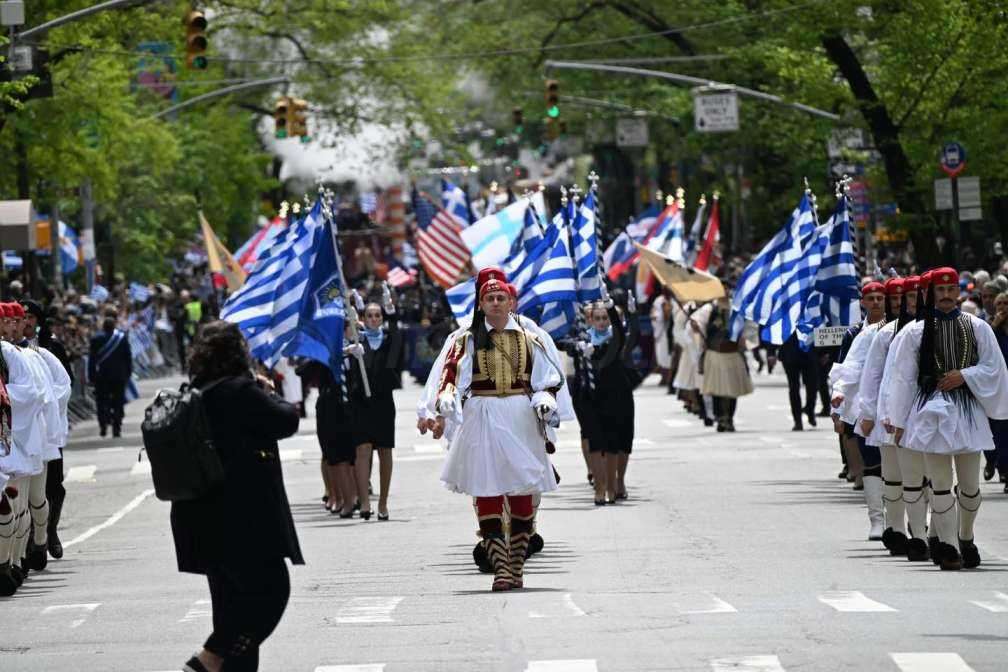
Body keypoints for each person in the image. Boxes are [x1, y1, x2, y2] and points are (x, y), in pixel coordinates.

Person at [171, 321, 303, 672]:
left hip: (201, 515)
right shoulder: (240, 391)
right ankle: (208, 659)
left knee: (231, 605)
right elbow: (286, 420)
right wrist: (269, 390)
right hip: (244, 518)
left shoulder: (197, 390)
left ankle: (218, 662)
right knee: (272, 592)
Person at [431, 268, 563, 591]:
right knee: (487, 489)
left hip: (519, 416)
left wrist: (545, 398)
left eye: (500, 298)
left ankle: (516, 564)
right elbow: (451, 376)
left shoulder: (530, 339)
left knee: (522, 490)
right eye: (489, 298)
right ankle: (501, 567)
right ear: (480, 303)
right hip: (483, 415)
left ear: (510, 301)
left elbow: (548, 378)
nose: (495, 303)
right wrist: (447, 397)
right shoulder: (467, 339)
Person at [882, 268, 1008, 570]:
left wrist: (964, 375)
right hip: (929, 412)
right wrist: (897, 419)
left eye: (951, 289)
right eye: (940, 290)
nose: (947, 295)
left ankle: (965, 537)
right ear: (931, 293)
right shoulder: (913, 332)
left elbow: (994, 368)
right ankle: (949, 547)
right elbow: (902, 378)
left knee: (968, 484)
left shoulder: (977, 327)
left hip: (966, 411)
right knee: (939, 483)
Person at [853, 277, 917, 556]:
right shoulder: (878, 334)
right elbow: (865, 374)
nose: (908, 303)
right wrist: (863, 411)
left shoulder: (932, 329)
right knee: (887, 471)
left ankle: (924, 527)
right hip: (886, 412)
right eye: (901, 298)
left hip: (920, 409)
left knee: (921, 473)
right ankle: (887, 524)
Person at [830, 281, 886, 539]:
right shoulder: (856, 334)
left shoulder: (904, 329)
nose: (876, 302)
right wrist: (838, 402)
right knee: (872, 462)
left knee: (902, 467)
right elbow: (846, 369)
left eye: (880, 297)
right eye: (871, 298)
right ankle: (877, 520)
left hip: (896, 406)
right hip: (865, 407)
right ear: (863, 302)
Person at [0, 303, 47, 596]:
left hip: (10, 436)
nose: (13, 326)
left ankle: (8, 563)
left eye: (13, 321)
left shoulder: (12, 354)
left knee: (12, 504)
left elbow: (35, 392)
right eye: (8, 321)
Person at [349, 284, 403, 521]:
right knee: (362, 449)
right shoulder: (357, 340)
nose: (373, 319)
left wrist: (391, 310)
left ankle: (383, 503)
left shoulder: (390, 339)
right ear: (363, 318)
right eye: (369, 315)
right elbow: (339, 346)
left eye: (377, 315)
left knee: (384, 451)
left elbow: (397, 336)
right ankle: (364, 502)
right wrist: (350, 351)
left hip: (383, 402)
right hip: (361, 401)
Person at [700, 294, 753, 432]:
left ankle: (729, 417)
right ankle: (722, 418)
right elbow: (699, 328)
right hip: (716, 354)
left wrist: (818, 351)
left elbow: (748, 327)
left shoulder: (737, 309)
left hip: (732, 353)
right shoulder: (709, 309)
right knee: (717, 389)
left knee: (732, 390)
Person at [88, 311, 132, 437]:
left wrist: (91, 375)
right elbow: (128, 357)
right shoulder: (122, 338)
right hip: (119, 376)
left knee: (102, 402)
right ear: (114, 327)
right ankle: (116, 428)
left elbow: (92, 360)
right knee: (118, 402)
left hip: (101, 377)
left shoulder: (96, 339)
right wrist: (128, 373)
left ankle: (103, 425)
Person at [987, 291, 1008, 491]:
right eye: (999, 303)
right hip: (998, 388)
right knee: (999, 431)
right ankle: (1000, 465)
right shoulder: (989, 328)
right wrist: (995, 325)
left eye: (1006, 303)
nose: (1002, 307)